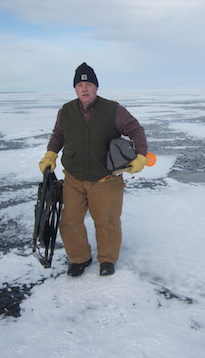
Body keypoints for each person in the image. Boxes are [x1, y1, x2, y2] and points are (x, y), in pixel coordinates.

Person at [39, 63, 148, 277]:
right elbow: (58, 136)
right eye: (80, 84)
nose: (84, 88)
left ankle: (107, 259)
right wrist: (50, 154)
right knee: (70, 221)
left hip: (106, 179)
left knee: (106, 221)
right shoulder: (66, 111)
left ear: (96, 87)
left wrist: (141, 155)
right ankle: (80, 258)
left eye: (89, 84)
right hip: (73, 178)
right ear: (75, 88)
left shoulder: (114, 110)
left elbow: (136, 130)